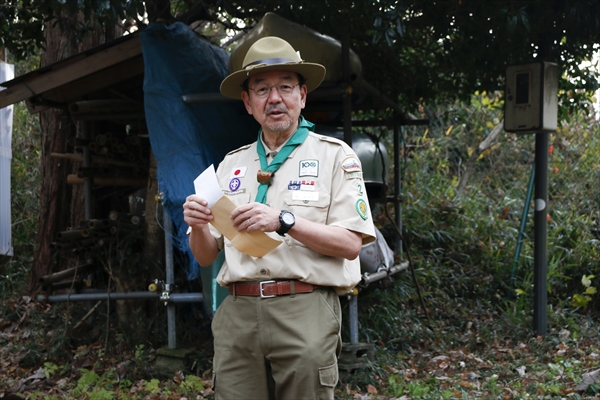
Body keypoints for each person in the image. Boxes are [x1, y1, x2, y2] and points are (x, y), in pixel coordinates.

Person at [183, 36, 376, 399]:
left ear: (302, 96)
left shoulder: (336, 157)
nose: (275, 98)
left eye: (285, 87)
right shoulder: (231, 165)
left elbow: (351, 244)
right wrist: (196, 224)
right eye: (262, 89)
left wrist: (284, 221)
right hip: (237, 312)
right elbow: (207, 255)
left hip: (304, 308)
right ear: (248, 103)